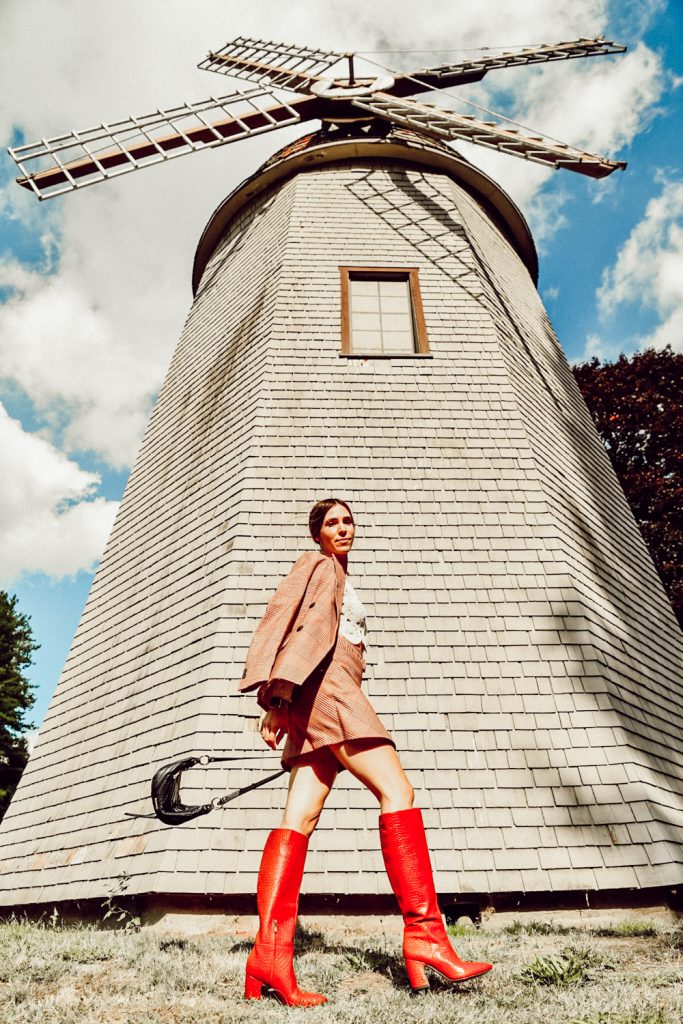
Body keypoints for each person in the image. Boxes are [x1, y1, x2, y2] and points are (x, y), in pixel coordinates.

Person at [239, 498, 492, 1006]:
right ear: (317, 534)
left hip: (321, 694)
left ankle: (268, 957)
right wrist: (277, 697)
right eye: (331, 522)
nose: (343, 528)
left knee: (300, 816)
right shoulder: (318, 565)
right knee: (397, 789)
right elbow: (287, 625)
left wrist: (289, 699)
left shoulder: (339, 573)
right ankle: (425, 935)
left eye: (348, 520)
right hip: (329, 691)